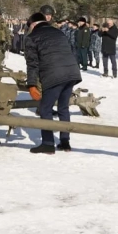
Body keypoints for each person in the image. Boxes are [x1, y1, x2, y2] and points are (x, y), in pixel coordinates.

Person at [23, 12, 83, 154]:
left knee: (45, 109)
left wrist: (31, 84)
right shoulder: (59, 32)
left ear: (33, 24)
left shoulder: (32, 37)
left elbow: (32, 63)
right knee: (63, 108)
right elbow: (71, 51)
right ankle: (65, 142)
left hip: (54, 75)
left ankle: (48, 144)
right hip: (71, 73)